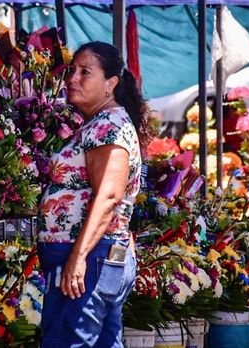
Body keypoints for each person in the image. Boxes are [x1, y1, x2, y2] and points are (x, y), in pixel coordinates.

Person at [37, 41, 151, 347]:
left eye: (85, 72)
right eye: (72, 70)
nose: (72, 78)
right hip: (100, 255)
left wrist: (78, 256)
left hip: (89, 257)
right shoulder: (100, 124)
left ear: (110, 83)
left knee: (68, 341)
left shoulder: (109, 126)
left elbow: (109, 197)